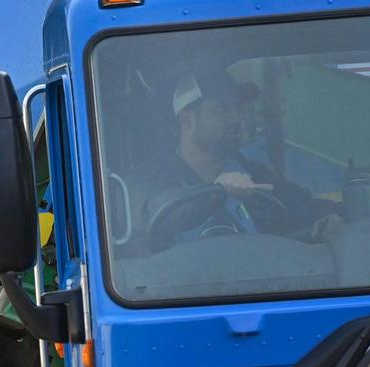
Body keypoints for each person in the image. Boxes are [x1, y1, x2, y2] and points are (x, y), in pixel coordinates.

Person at [144, 67, 343, 245]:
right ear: (188, 120)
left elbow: (306, 206)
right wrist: (217, 191)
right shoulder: (151, 179)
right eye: (222, 109)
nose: (236, 119)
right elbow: (157, 212)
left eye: (238, 108)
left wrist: (329, 217)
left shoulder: (258, 175)